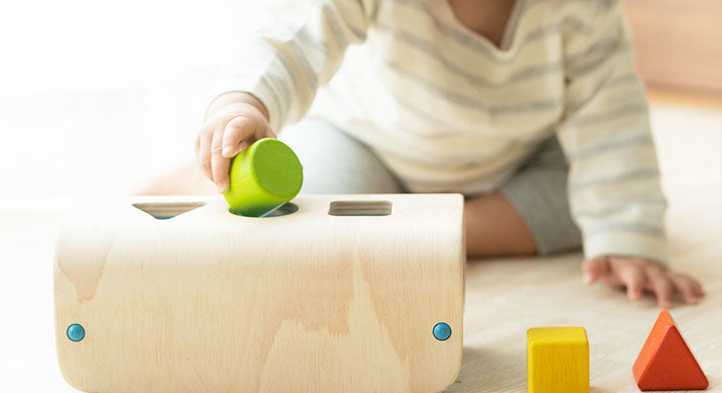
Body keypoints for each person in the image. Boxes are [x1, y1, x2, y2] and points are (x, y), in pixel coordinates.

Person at [137, 0, 704, 307]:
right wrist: (246, 102)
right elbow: (295, 34)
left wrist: (629, 239)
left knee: (588, 208)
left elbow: (612, 120)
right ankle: (204, 173)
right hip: (370, 140)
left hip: (514, 157)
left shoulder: (585, 12)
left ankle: (429, 227)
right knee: (300, 216)